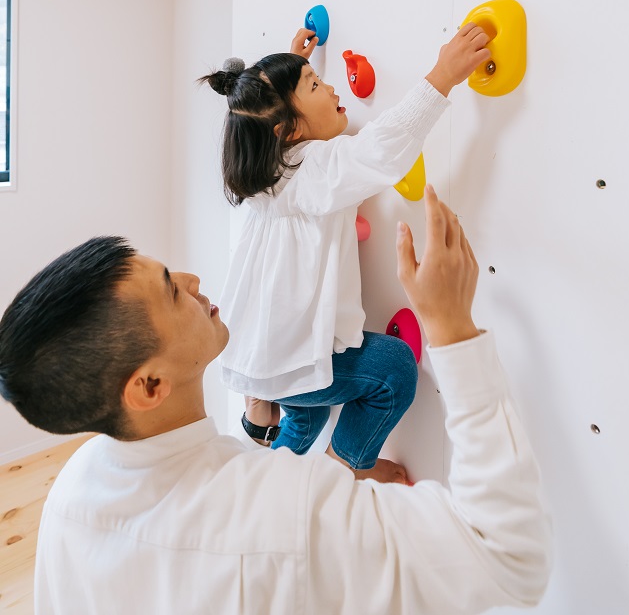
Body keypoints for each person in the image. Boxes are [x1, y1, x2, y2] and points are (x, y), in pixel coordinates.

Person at [0, 186, 551, 614]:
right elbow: (508, 556)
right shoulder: (286, 515)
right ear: (148, 386)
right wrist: (453, 328)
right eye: (171, 288)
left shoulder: (71, 494)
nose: (193, 279)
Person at [199, 23, 491, 482]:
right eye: (314, 85)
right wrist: (442, 76)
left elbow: (265, 115)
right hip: (287, 356)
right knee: (393, 369)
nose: (331, 86)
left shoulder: (268, 173)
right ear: (290, 129)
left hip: (263, 351)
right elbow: (381, 148)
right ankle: (345, 475)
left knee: (307, 415)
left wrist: (294, 64)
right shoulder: (313, 168)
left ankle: (269, 480)